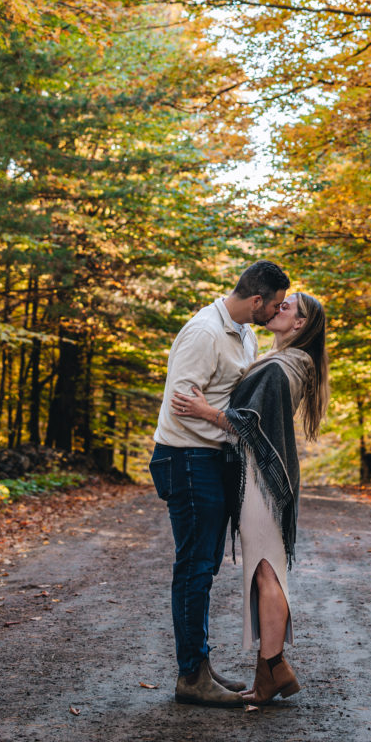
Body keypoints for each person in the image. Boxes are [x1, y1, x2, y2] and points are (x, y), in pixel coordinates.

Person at [171, 291, 329, 705]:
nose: (279, 308)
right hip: (261, 479)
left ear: (299, 324)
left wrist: (205, 411)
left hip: (263, 483)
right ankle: (273, 669)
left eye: (288, 307)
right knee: (266, 569)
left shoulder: (283, 366)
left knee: (266, 571)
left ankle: (273, 667)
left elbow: (251, 425)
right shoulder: (283, 360)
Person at [149, 260, 290, 707]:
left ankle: (201, 667)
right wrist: (232, 431)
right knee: (194, 567)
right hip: (186, 458)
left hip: (210, 458)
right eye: (276, 305)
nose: (279, 311)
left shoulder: (245, 334)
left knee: (205, 567)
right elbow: (181, 406)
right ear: (256, 301)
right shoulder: (205, 333)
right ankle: (191, 676)